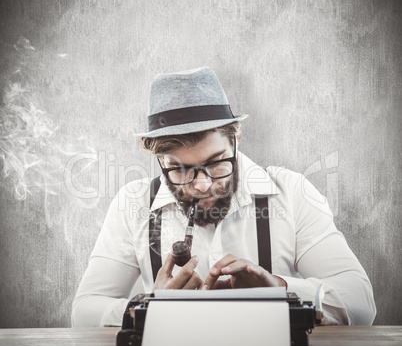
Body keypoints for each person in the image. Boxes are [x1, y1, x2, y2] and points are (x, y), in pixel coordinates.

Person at [71, 66, 376, 327]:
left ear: (236, 138)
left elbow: (360, 303)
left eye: (216, 162)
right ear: (159, 161)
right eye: (178, 168)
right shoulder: (132, 205)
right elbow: (83, 312)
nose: (201, 185)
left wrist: (280, 290)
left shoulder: (292, 193)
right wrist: (149, 308)